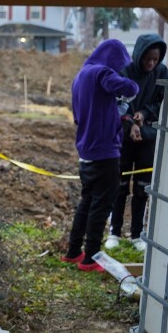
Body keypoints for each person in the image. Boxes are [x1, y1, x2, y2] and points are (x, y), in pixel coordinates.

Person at [63, 39, 139, 271]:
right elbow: (130, 88)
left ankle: (74, 251)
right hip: (105, 150)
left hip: (86, 149)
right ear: (113, 59)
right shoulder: (102, 72)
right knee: (102, 203)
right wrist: (131, 89)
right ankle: (91, 257)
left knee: (87, 201)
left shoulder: (80, 76)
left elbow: (80, 114)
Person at [106, 34, 168, 252]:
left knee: (142, 188)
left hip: (147, 138)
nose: (151, 63)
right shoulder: (124, 72)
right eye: (147, 59)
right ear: (139, 55)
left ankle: (136, 234)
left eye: (155, 59)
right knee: (120, 187)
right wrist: (131, 122)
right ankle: (114, 232)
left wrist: (143, 114)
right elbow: (116, 103)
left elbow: (160, 102)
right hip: (123, 138)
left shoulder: (161, 73)